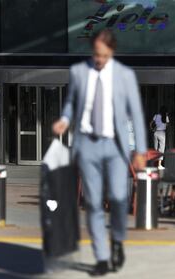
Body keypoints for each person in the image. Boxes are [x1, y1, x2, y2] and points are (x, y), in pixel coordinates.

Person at [52, 29, 146, 276]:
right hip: (87, 145)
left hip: (115, 146)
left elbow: (136, 113)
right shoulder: (78, 72)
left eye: (103, 55)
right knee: (93, 203)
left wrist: (141, 151)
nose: (99, 60)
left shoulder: (125, 76)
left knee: (118, 198)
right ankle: (102, 258)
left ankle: (117, 240)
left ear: (112, 52)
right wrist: (64, 119)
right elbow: (72, 103)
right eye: (95, 54)